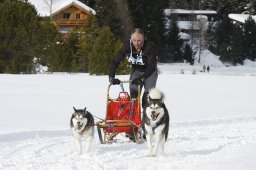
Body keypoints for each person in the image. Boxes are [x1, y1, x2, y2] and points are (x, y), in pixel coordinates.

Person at [108, 28, 158, 108]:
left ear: (143, 38)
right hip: (136, 71)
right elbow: (114, 62)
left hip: (150, 73)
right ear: (131, 39)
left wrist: (142, 78)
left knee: (147, 98)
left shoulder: (149, 46)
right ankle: (134, 118)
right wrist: (111, 77)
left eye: (139, 40)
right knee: (134, 96)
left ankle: (146, 117)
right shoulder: (128, 46)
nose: (136, 43)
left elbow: (151, 67)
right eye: (134, 40)